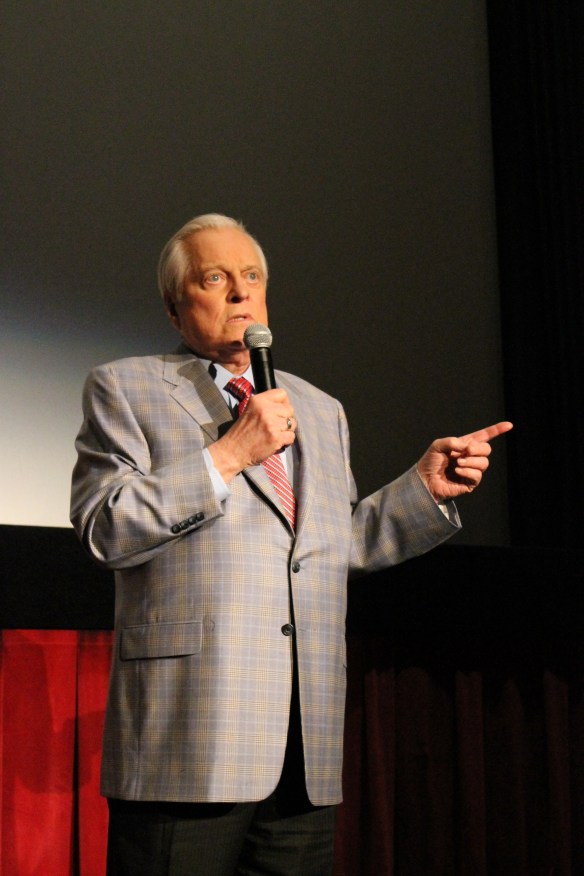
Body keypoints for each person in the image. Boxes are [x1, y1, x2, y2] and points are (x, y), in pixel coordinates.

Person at [70, 213, 512, 875]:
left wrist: (422, 490)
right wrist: (229, 454)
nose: (240, 292)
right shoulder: (126, 388)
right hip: (191, 735)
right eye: (214, 279)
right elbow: (106, 528)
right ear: (173, 308)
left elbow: (332, 551)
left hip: (304, 746)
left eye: (252, 277)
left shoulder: (320, 408)